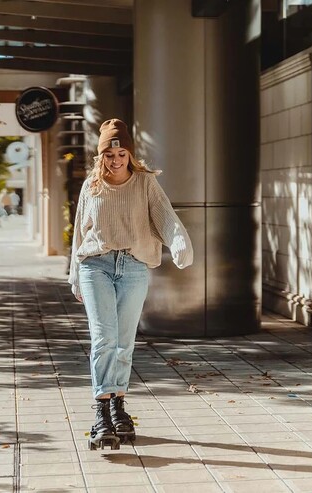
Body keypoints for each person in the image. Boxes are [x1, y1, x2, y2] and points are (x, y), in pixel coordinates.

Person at [68, 118, 193, 450]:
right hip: (95, 265)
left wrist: (179, 240)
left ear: (129, 154)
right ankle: (100, 412)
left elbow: (165, 216)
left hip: (134, 267)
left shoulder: (144, 183)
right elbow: (79, 232)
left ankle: (117, 405)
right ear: (101, 156)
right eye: (109, 154)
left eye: (121, 153)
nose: (115, 159)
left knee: (123, 342)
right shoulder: (90, 186)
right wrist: (74, 276)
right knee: (103, 339)